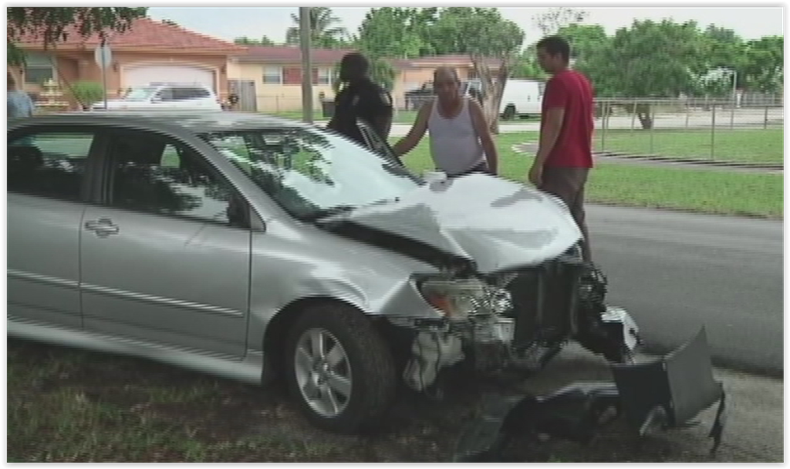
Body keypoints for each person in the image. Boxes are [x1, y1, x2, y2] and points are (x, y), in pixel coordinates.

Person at [529, 36, 595, 262]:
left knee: (552, 218)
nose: (540, 62)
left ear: (558, 57)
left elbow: (554, 124)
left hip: (562, 162)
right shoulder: (582, 81)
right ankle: (586, 269)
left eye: (543, 57)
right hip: (581, 161)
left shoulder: (558, 83)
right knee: (575, 217)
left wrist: (538, 163)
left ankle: (555, 273)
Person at [391, 67, 498, 177]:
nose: (445, 89)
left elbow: (487, 141)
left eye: (450, 83)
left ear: (458, 84)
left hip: (475, 172)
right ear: (435, 88)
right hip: (444, 177)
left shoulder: (471, 106)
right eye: (440, 85)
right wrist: (388, 154)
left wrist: (494, 174)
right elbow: (411, 139)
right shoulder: (428, 109)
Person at [327, 52, 393, 146]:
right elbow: (336, 122)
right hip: (342, 150)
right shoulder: (344, 94)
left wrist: (375, 148)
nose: (341, 71)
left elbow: (382, 129)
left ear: (357, 69)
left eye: (345, 66)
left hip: (364, 152)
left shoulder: (376, 94)